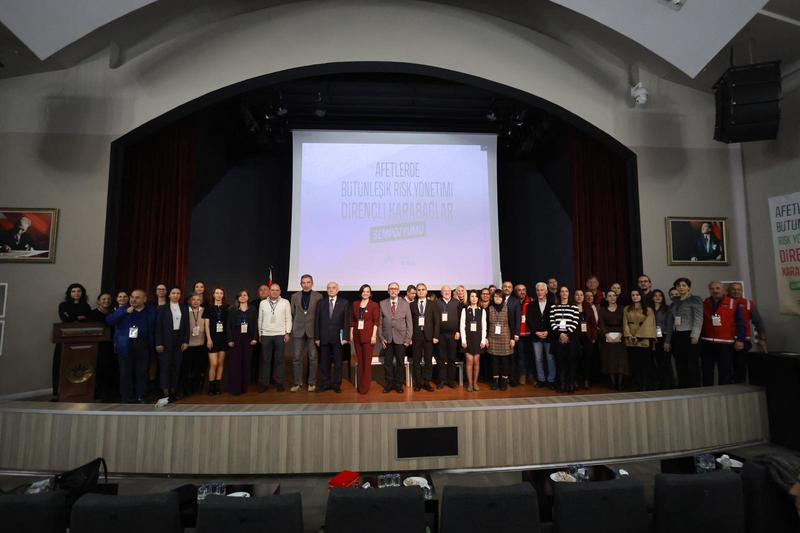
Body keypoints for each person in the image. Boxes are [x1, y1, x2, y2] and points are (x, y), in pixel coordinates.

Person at [106, 289, 154, 403]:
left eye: (137, 297)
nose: (133, 299)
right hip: (126, 345)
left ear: (144, 299)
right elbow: (109, 321)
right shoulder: (123, 309)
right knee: (125, 373)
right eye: (132, 297)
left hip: (143, 344)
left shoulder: (150, 311)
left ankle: (140, 396)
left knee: (142, 372)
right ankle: (126, 397)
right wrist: (125, 312)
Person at [700, 281, 746, 386]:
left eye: (717, 288)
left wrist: (740, 339)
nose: (715, 290)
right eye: (712, 288)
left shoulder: (733, 303)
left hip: (725, 344)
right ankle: (708, 392)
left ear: (723, 289)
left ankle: (724, 392)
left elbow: (741, 323)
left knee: (725, 371)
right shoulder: (705, 303)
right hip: (707, 343)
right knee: (706, 371)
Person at [53, 283, 92, 399]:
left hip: (82, 340)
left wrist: (74, 318)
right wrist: (79, 318)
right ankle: (60, 392)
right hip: (65, 340)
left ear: (82, 293)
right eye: (73, 291)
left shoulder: (86, 306)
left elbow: (88, 319)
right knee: (63, 365)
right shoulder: (63, 305)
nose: (76, 293)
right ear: (69, 293)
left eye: (79, 291)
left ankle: (80, 391)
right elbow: (65, 319)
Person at [727, 281, 768, 383]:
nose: (736, 292)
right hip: (726, 340)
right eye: (733, 289)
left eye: (739, 290)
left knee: (741, 367)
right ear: (728, 291)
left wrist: (762, 338)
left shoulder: (748, 304)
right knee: (727, 368)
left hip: (743, 341)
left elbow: (758, 322)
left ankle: (740, 387)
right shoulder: (722, 302)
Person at [155, 286, 189, 402]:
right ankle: (165, 393)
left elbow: (186, 327)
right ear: (169, 295)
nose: (176, 295)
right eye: (173, 293)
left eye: (178, 293)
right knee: (165, 367)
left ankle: (173, 392)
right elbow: (158, 327)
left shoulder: (184, 308)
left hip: (179, 341)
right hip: (165, 341)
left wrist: (186, 341)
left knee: (176, 367)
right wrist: (158, 343)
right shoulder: (162, 308)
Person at [315, 282, 350, 393]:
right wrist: (317, 337)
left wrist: (345, 337)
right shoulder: (321, 303)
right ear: (327, 290)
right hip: (324, 337)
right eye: (329, 288)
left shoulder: (344, 303)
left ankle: (336, 384)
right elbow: (317, 321)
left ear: (337, 290)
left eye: (333, 288)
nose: (331, 290)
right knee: (324, 362)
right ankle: (325, 383)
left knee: (338, 362)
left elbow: (346, 322)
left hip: (338, 338)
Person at [289, 274, 322, 392]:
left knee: (313, 357)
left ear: (312, 283)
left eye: (308, 282)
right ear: (300, 284)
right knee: (297, 358)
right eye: (303, 282)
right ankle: (297, 383)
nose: (306, 285)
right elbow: (292, 313)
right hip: (298, 330)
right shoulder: (294, 296)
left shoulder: (318, 296)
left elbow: (320, 314)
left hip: (312, 331)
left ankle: (311, 383)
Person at [378, 282, 412, 393]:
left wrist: (408, 338)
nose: (393, 290)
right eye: (391, 288)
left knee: (400, 363)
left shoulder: (405, 304)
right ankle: (389, 383)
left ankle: (398, 384)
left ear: (398, 291)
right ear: (388, 291)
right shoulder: (382, 303)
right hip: (387, 338)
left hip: (401, 338)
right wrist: (381, 337)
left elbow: (409, 322)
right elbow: (379, 323)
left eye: (395, 288)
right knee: (388, 363)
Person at [257, 283, 292, 392]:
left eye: (277, 290)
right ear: (269, 291)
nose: (274, 292)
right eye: (272, 290)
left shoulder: (285, 302)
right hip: (266, 335)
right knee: (265, 360)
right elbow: (260, 319)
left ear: (280, 291)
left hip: (280, 334)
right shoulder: (263, 303)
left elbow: (288, 318)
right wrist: (260, 333)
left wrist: (287, 332)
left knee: (280, 360)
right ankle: (265, 383)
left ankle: (279, 383)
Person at [671, 277, 704, 388]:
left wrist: (695, 335)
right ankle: (683, 386)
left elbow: (699, 318)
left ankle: (695, 387)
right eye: (678, 286)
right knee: (680, 362)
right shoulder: (676, 300)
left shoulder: (695, 299)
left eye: (684, 285)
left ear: (689, 287)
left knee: (692, 363)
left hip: (690, 334)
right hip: (677, 334)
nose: (681, 287)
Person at [623, 290, 657, 391]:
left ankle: (645, 384)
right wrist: (629, 335)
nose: (635, 297)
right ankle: (636, 384)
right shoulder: (626, 309)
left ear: (641, 296)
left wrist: (638, 336)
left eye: (637, 295)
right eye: (633, 295)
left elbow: (649, 324)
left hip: (643, 339)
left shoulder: (648, 309)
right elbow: (625, 323)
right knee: (634, 363)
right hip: (631, 339)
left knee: (645, 363)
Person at [226, 289, 258, 396]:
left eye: (245, 295)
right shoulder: (232, 309)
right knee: (235, 363)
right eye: (240, 295)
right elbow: (228, 326)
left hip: (248, 338)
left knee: (246, 362)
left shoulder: (252, 309)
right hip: (236, 337)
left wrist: (255, 338)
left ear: (248, 297)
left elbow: (255, 324)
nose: (243, 297)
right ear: (238, 298)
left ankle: (244, 387)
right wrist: (230, 339)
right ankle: (235, 388)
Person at [350, 284, 380, 394]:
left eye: (367, 291)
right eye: (363, 291)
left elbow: (376, 322)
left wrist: (374, 336)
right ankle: (360, 384)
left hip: (368, 336)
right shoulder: (355, 304)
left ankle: (365, 387)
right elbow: (353, 320)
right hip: (357, 335)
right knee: (360, 361)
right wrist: (351, 333)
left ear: (370, 293)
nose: (365, 293)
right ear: (361, 292)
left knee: (367, 362)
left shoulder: (374, 305)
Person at [410, 283, 440, 392]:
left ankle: (427, 382)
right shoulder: (412, 305)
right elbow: (409, 322)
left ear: (426, 291)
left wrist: (436, 336)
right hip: (416, 336)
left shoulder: (433, 304)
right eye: (419, 290)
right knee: (416, 360)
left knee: (428, 361)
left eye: (423, 289)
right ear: (416, 292)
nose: (421, 291)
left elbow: (437, 321)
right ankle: (418, 383)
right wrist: (409, 337)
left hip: (429, 336)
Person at [549, 286, 580, 393]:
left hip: (570, 338)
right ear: (559, 293)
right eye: (562, 291)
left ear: (569, 293)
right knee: (560, 362)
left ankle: (570, 384)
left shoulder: (574, 306)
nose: (564, 293)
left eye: (566, 291)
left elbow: (575, 322)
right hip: (558, 338)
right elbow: (552, 322)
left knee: (571, 362)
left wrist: (567, 334)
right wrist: (560, 334)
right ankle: (561, 384)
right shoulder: (554, 307)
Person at [526, 282, 555, 388]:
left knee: (550, 359)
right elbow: (529, 320)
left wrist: (548, 331)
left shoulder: (552, 304)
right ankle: (541, 379)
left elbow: (554, 320)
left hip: (549, 336)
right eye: (538, 290)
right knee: (538, 359)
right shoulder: (531, 305)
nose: (539, 292)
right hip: (536, 336)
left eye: (542, 290)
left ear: (546, 291)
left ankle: (551, 380)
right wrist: (536, 332)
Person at [90, 292, 118, 401]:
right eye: (104, 299)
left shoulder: (113, 313)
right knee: (100, 369)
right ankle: (100, 394)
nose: (106, 301)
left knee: (111, 369)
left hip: (111, 344)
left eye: (108, 299)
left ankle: (110, 394)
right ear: (99, 301)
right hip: (98, 346)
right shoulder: (92, 314)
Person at [598, 290, 628, 390]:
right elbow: (601, 323)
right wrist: (606, 334)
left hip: (620, 336)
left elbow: (625, 322)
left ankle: (620, 383)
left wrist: (621, 334)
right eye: (609, 296)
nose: (612, 298)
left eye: (614, 295)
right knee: (610, 360)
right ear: (606, 298)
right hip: (607, 337)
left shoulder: (622, 309)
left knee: (621, 360)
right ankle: (612, 382)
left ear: (616, 297)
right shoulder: (602, 310)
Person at [487, 291, 515, 390]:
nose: (497, 298)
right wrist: (486, 338)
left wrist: (512, 338)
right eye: (495, 297)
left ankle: (504, 381)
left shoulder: (508, 308)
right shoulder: (489, 308)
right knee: (494, 361)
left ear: (503, 298)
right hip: (492, 337)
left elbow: (512, 324)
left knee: (505, 361)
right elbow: (486, 324)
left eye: (499, 297)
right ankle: (495, 381)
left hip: (505, 337)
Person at [459, 290, 486, 392]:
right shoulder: (465, 310)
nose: (474, 298)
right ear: (469, 298)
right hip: (468, 339)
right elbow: (462, 326)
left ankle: (475, 383)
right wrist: (463, 340)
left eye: (476, 296)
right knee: (469, 361)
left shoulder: (482, 311)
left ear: (478, 298)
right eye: (472, 296)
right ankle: (470, 384)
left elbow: (484, 327)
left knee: (476, 362)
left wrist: (483, 340)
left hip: (478, 339)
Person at [204, 287, 228, 395]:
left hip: (223, 338)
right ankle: (211, 386)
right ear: (213, 295)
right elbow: (206, 325)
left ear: (223, 295)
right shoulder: (208, 308)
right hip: (212, 338)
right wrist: (209, 339)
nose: (219, 295)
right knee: (213, 363)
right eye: (217, 293)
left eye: (221, 293)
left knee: (220, 363)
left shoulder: (226, 308)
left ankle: (217, 385)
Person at [436, 285, 460, 389]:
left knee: (451, 358)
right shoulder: (437, 303)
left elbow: (460, 318)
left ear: (451, 292)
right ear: (441, 292)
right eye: (444, 291)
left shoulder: (456, 302)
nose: (447, 292)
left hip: (453, 334)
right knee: (441, 358)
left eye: (448, 290)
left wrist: (458, 331)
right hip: (440, 334)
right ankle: (442, 380)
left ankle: (451, 380)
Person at [182, 293, 207, 396]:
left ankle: (196, 388)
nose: (196, 301)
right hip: (188, 345)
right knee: (187, 368)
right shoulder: (185, 311)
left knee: (198, 368)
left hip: (201, 345)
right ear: (189, 301)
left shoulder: (204, 311)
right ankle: (186, 388)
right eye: (193, 299)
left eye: (198, 299)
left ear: (201, 301)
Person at [574, 289, 598, 389]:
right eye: (577, 295)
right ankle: (575, 380)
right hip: (575, 337)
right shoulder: (571, 306)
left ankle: (586, 380)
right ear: (574, 296)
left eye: (581, 295)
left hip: (587, 337)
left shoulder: (588, 307)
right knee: (575, 359)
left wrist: (594, 337)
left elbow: (593, 324)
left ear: (583, 297)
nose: (579, 297)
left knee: (587, 359)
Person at [652, 289, 675, 389]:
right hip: (653, 338)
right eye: (655, 295)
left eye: (660, 295)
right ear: (652, 298)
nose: (657, 297)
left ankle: (668, 385)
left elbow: (670, 326)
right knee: (656, 362)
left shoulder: (667, 309)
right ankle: (659, 384)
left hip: (664, 338)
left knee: (665, 363)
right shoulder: (649, 309)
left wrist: (667, 341)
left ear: (663, 297)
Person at [500, 281, 522, 385]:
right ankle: (503, 378)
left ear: (512, 289)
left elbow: (518, 319)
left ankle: (513, 379)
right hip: (500, 334)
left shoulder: (515, 301)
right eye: (505, 286)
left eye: (509, 287)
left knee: (512, 357)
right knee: (502, 358)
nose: (507, 288)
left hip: (511, 333)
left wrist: (516, 334)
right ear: (502, 288)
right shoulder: (498, 299)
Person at [514, 284, 533, 385]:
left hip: (530, 334)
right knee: (520, 356)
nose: (522, 292)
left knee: (530, 355)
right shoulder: (513, 302)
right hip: (519, 334)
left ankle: (531, 375)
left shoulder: (532, 301)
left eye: (524, 290)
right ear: (515, 292)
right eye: (519, 290)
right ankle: (522, 375)